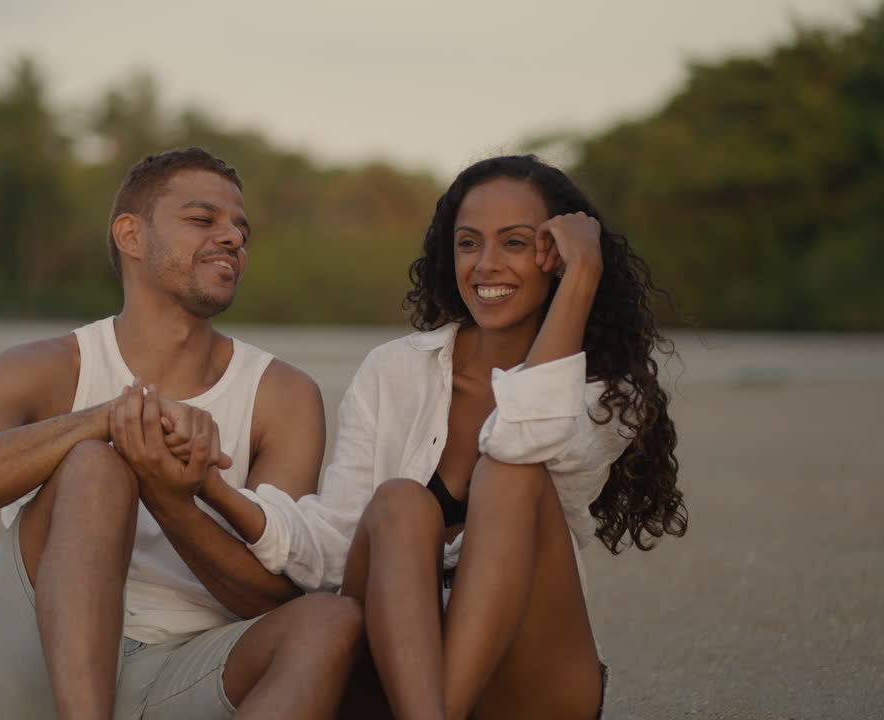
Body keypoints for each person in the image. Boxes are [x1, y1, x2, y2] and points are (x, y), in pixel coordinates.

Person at [203, 155, 688, 719]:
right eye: (467, 243)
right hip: (395, 670)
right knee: (400, 501)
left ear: (555, 256)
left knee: (510, 472)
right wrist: (214, 491)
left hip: (528, 677)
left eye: (514, 243)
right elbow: (335, 544)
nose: (485, 265)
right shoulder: (393, 371)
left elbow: (520, 439)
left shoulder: (606, 393)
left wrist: (583, 277)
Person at [0, 147, 363, 720]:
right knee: (96, 465)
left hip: (187, 668)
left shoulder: (283, 394)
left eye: (240, 230)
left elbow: (275, 594)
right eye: (203, 220)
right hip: (34, 659)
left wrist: (175, 496)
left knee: (330, 619)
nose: (231, 238)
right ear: (130, 234)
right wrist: (106, 420)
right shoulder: (46, 366)